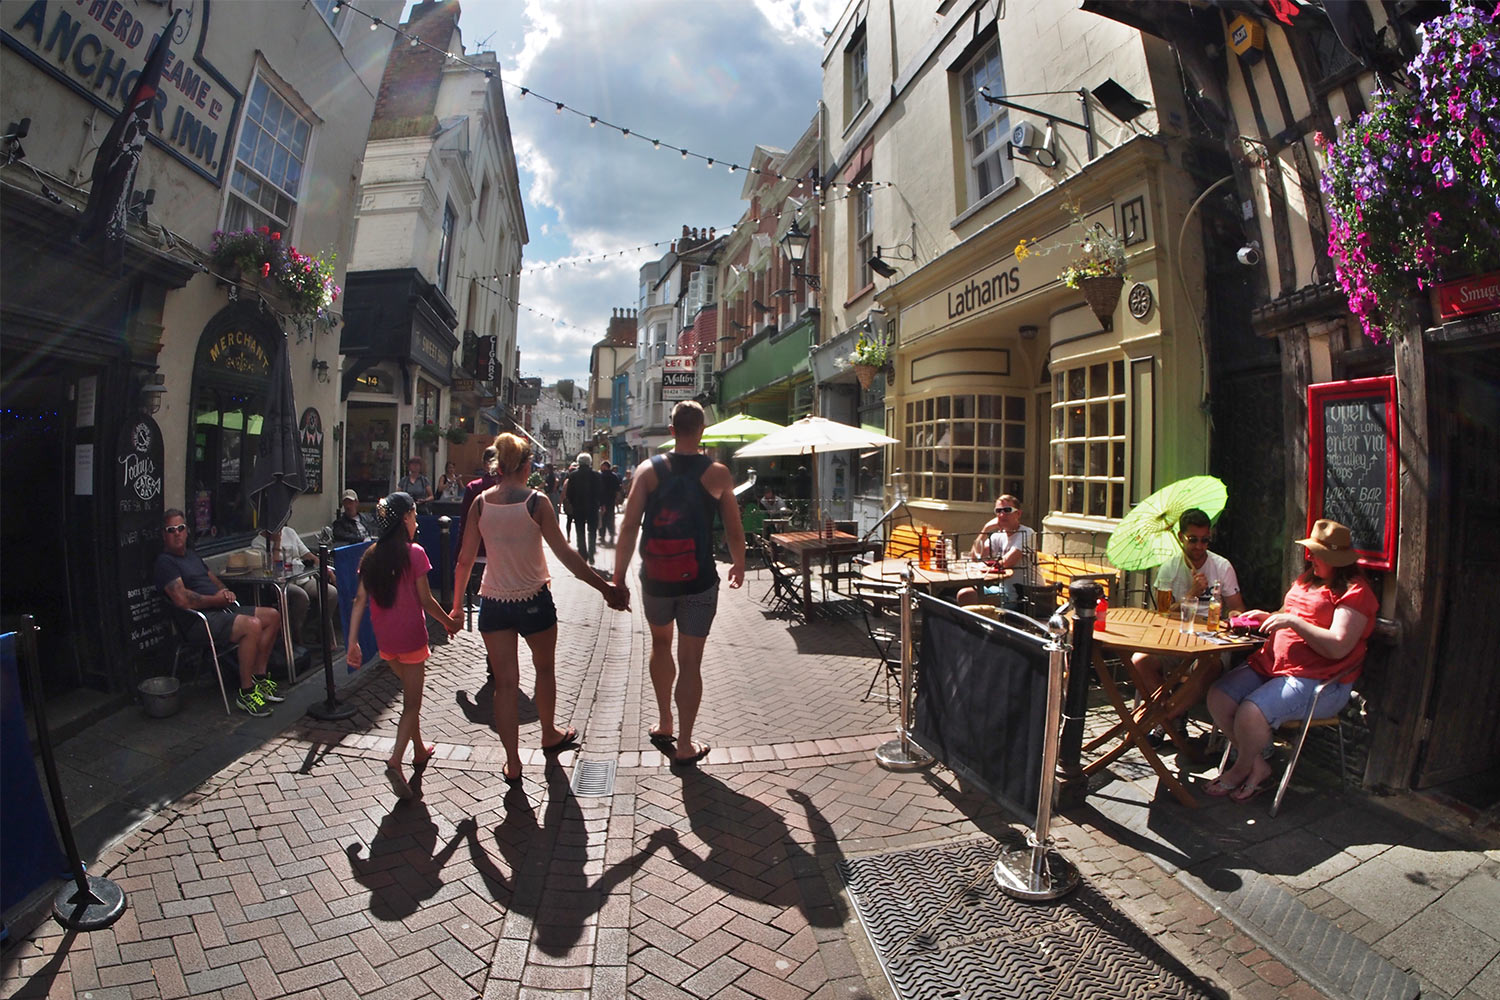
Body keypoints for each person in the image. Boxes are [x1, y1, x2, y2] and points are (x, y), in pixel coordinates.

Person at [450, 434, 628, 784]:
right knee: (544, 670)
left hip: (494, 603)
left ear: (498, 466)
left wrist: (457, 608)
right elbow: (566, 555)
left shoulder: (481, 504)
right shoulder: (537, 502)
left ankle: (513, 762)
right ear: (527, 466)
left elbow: (464, 561)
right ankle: (549, 733)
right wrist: (604, 588)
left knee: (504, 685)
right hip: (533, 599)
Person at [1203, 520, 1378, 802]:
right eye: (1311, 552)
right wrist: (1265, 617)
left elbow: (1338, 646)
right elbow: (1287, 613)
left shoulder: (1355, 592)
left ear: (1337, 560)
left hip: (1319, 679)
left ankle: (1240, 770)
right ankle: (1257, 765)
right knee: (1219, 696)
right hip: (1273, 665)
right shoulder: (1308, 578)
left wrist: (1293, 622)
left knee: (1251, 712)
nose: (1311, 558)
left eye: (1318, 554)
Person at [614, 401, 746, 767]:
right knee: (691, 661)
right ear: (702, 430)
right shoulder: (718, 473)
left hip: (655, 578)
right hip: (700, 579)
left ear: (671, 430)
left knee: (660, 645)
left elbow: (628, 527)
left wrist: (618, 576)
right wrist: (739, 563)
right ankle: (685, 742)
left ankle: (665, 721)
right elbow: (735, 529)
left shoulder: (647, 470)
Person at [346, 492, 461, 800]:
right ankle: (396, 761)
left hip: (386, 641)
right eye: (412, 515)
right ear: (406, 519)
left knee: (411, 694)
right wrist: (449, 621)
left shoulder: (371, 555)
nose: (415, 521)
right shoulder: (415, 553)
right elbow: (426, 600)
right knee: (412, 704)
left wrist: (352, 642)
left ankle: (420, 750)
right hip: (410, 637)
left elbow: (359, 600)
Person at [155, 509, 285, 717]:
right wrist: (215, 599)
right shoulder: (165, 563)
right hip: (198, 622)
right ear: (164, 535)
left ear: (187, 531)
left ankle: (259, 678)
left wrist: (224, 591)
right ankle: (246, 692)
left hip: (221, 610)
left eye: (180, 528)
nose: (177, 533)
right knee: (251, 625)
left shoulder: (192, 555)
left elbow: (211, 578)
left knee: (272, 616)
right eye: (171, 530)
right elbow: (181, 599)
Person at [1133, 508, 1249, 712]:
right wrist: (1191, 594)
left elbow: (1237, 607)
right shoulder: (1169, 568)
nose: (1199, 546)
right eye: (1193, 539)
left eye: (1205, 540)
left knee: (1209, 667)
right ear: (1181, 537)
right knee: (1140, 660)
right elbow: (1161, 613)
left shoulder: (1222, 566)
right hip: (1174, 638)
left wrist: (1234, 616)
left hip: (1211, 640)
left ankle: (1164, 717)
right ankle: (1171, 716)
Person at [265, 522, 341, 650]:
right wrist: (277, 544)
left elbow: (308, 555)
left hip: (302, 578)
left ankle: (317, 628)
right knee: (301, 596)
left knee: (331, 593)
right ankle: (297, 636)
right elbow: (272, 570)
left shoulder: (289, 532)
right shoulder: (259, 542)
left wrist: (325, 568)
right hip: (282, 584)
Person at [955, 494, 1039, 607]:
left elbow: (1007, 562)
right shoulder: (998, 536)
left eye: (1007, 510)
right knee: (963, 593)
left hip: (1023, 596)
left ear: (1018, 514)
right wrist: (985, 529)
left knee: (968, 596)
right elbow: (975, 557)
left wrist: (986, 565)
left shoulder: (1027, 533)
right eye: (998, 511)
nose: (1002, 514)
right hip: (1003, 590)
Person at [564, 452, 601, 563]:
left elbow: (569, 492)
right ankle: (592, 551)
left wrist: (571, 502)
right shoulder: (596, 475)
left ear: (579, 462)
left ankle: (582, 554)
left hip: (578, 507)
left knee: (580, 531)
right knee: (592, 531)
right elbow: (600, 491)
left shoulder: (573, 475)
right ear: (589, 462)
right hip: (592, 506)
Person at [597, 460, 621, 545]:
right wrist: (617, 499)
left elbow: (597, 489)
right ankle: (611, 534)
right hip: (611, 500)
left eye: (602, 466)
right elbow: (618, 489)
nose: (601, 467)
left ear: (605, 466)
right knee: (610, 518)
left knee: (602, 519)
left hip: (602, 500)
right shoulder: (614, 476)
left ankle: (602, 536)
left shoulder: (600, 476)